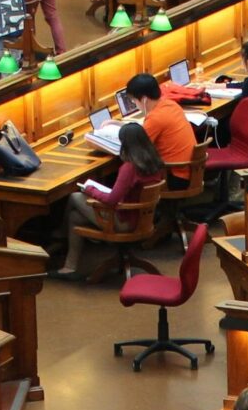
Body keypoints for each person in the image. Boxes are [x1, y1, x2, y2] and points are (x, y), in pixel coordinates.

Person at [60, 122, 166, 279]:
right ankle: (69, 267)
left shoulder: (130, 168)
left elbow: (112, 200)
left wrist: (90, 190)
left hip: (124, 222)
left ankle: (59, 236)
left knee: (75, 197)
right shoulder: (155, 161)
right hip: (143, 218)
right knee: (75, 217)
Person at [126, 73, 197, 178]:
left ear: (144, 99)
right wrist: (116, 123)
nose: (135, 104)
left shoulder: (155, 118)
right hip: (190, 171)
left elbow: (137, 147)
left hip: (174, 176)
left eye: (134, 100)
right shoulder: (171, 105)